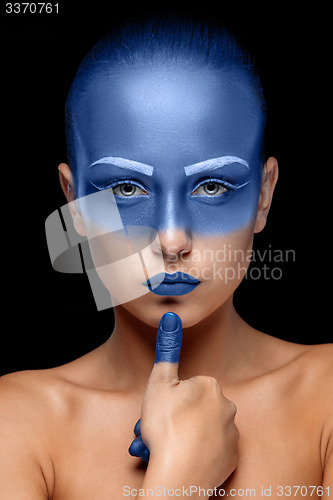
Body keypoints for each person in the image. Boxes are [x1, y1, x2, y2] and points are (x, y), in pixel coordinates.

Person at [1, 13, 332, 500]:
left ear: (264, 195)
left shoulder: (327, 397)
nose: (172, 239)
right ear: (75, 205)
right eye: (127, 188)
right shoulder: (15, 420)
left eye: (213, 185)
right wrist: (180, 480)